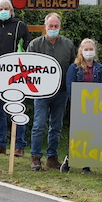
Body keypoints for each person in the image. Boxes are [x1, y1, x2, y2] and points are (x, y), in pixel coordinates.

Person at [0, 0, 31, 156]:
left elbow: (28, 49)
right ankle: (0, 144)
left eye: (6, 9)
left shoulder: (20, 26)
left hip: (15, 77)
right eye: (0, 9)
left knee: (17, 111)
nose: (3, 12)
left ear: (11, 11)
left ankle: (19, 146)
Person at [27, 13, 75, 171]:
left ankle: (52, 158)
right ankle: (35, 157)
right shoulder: (35, 45)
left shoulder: (68, 45)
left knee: (56, 126)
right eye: (50, 26)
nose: (53, 29)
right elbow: (27, 68)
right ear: (45, 27)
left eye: (56, 26)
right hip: (41, 93)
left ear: (59, 27)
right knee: (39, 125)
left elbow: (73, 67)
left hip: (61, 93)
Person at [65, 38, 102, 174]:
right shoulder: (74, 68)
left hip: (94, 108)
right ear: (81, 51)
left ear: (94, 51)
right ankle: (69, 160)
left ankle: (86, 166)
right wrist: (77, 104)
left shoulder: (100, 69)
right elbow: (70, 87)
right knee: (77, 135)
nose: (88, 52)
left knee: (91, 136)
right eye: (86, 49)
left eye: (91, 49)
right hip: (79, 107)